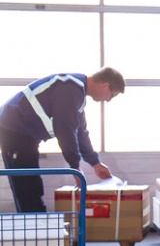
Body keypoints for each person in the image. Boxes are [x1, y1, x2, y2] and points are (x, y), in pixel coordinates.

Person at [0, 67, 123, 212]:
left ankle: (38, 227)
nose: (108, 100)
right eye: (111, 96)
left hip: (25, 135)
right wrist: (74, 166)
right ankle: (37, 229)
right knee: (27, 187)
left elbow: (80, 133)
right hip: (14, 131)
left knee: (31, 185)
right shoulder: (70, 88)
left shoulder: (77, 94)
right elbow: (65, 130)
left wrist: (95, 163)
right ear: (105, 85)